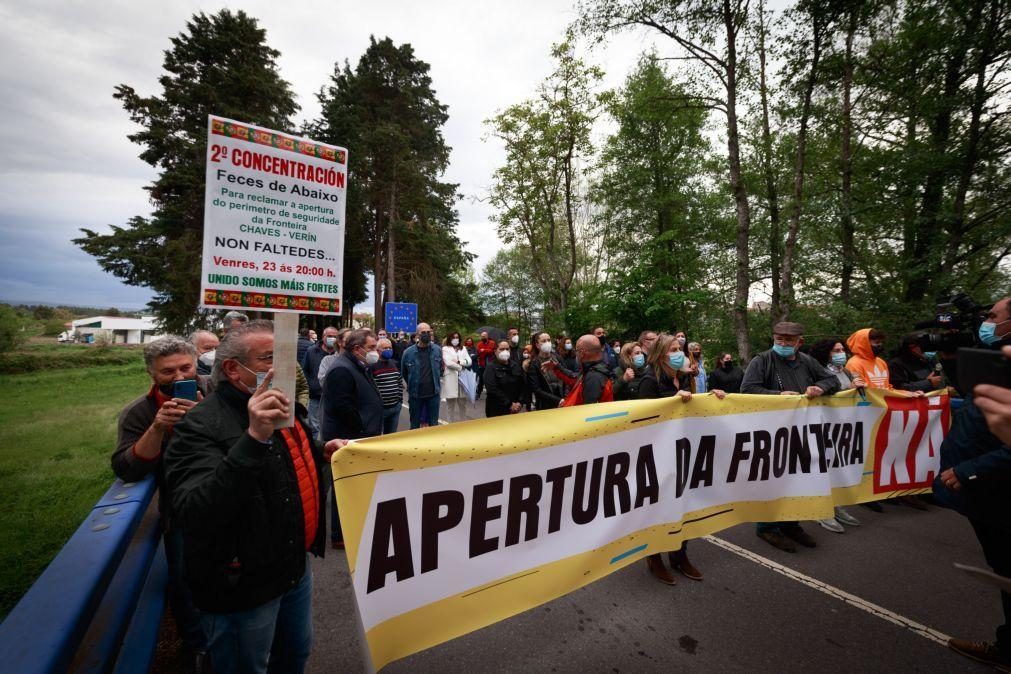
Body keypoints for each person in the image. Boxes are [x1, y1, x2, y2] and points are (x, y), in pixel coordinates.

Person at [164, 320, 347, 674]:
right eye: (269, 358)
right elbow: (196, 510)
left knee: (293, 657)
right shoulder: (198, 425)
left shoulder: (278, 403)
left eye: (284, 356)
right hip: (241, 585)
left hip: (293, 566)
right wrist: (254, 436)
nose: (283, 368)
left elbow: (288, 455)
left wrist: (322, 449)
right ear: (233, 369)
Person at [112, 336, 211, 667]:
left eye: (186, 367)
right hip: (181, 511)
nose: (180, 376)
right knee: (185, 582)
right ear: (152, 374)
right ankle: (197, 647)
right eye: (168, 371)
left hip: (227, 501)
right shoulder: (139, 412)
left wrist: (204, 419)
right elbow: (129, 468)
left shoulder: (215, 393)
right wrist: (157, 428)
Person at [935, 298, 1011, 670]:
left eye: (993, 316)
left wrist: (969, 470)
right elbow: (984, 407)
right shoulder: (993, 362)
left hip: (998, 489)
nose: (986, 320)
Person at [741, 321, 840, 553]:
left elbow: (832, 380)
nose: (783, 344)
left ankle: (791, 523)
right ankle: (767, 527)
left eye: (789, 340)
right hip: (771, 433)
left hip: (801, 431)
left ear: (799, 342)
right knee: (773, 479)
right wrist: (778, 395)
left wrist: (820, 388)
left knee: (797, 479)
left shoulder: (807, 361)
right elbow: (747, 390)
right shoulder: (762, 360)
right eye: (779, 339)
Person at [636, 334, 725, 584]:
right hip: (657, 455)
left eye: (680, 349)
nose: (679, 354)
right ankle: (654, 557)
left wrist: (711, 398)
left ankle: (679, 553)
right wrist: (669, 404)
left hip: (684, 449)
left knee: (683, 505)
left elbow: (695, 407)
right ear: (660, 355)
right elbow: (643, 419)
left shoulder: (685, 377)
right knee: (658, 507)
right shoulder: (648, 380)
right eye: (673, 350)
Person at [321, 329, 383, 549]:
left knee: (358, 485)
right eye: (373, 348)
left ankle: (355, 527)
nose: (376, 352)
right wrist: (363, 428)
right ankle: (341, 535)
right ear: (357, 349)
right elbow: (341, 406)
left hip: (361, 436)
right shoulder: (341, 369)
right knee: (346, 488)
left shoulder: (358, 365)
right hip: (349, 438)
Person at [807, 338, 867, 531]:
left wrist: (858, 387)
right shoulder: (816, 372)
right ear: (825, 353)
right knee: (821, 469)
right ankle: (821, 511)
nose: (842, 353)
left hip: (842, 429)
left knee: (837, 468)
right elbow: (817, 397)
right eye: (836, 350)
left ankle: (836, 506)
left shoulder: (846, 372)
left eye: (842, 349)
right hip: (823, 427)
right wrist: (845, 391)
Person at [401, 322, 443, 429]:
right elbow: (404, 372)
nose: (426, 334)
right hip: (416, 395)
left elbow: (440, 369)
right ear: (417, 334)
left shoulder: (437, 350)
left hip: (433, 394)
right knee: (415, 425)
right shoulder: (408, 353)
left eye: (428, 332)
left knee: (434, 424)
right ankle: (415, 445)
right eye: (423, 332)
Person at [301, 326, 338, 438]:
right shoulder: (312, 351)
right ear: (323, 337)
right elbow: (305, 370)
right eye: (329, 336)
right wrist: (311, 386)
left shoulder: (340, 354)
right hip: (316, 396)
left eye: (335, 336)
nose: (332, 339)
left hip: (334, 398)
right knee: (315, 427)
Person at [527, 332, 569, 410]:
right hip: (545, 406)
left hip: (564, 402)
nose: (547, 343)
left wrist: (566, 397)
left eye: (549, 340)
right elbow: (536, 389)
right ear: (537, 345)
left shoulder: (558, 358)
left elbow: (566, 378)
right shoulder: (534, 364)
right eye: (544, 341)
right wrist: (558, 401)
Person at [484, 340, 526, 417]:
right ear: (495, 351)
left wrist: (520, 402)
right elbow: (492, 388)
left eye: (507, 349)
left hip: (515, 409)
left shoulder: (515, 366)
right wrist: (509, 404)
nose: (505, 351)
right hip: (496, 409)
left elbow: (523, 384)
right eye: (502, 349)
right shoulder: (491, 367)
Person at [372, 337, 404, 435]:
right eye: (385, 348)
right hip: (380, 409)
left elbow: (399, 382)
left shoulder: (394, 364)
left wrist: (400, 401)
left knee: (391, 436)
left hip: (395, 407)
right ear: (378, 351)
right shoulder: (373, 366)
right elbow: (372, 387)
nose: (388, 350)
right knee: (377, 436)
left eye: (390, 348)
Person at [441, 331, 472, 422]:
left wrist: (459, 362)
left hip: (462, 379)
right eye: (453, 337)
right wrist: (461, 367)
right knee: (450, 405)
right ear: (450, 338)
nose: (455, 339)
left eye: (457, 337)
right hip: (450, 378)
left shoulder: (463, 348)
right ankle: (450, 424)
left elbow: (469, 362)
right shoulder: (445, 349)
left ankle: (463, 424)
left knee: (463, 404)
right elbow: (448, 363)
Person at [476, 331, 496, 400]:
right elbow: (478, 352)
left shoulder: (492, 343)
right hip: (482, 364)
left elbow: (492, 351)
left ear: (487, 336)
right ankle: (478, 393)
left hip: (490, 364)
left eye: (484, 336)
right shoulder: (479, 344)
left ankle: (490, 393)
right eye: (482, 336)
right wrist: (484, 351)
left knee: (490, 379)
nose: (483, 337)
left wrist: (484, 350)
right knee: (481, 379)